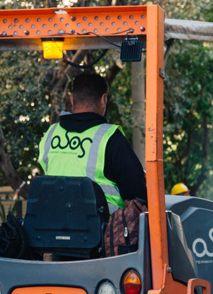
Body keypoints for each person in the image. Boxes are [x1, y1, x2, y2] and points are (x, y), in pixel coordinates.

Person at [38, 73, 146, 214]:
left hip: (52, 226)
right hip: (102, 232)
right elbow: (137, 196)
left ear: (72, 100)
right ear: (103, 100)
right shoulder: (110, 137)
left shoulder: (51, 133)